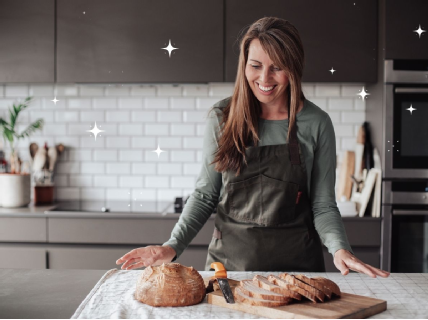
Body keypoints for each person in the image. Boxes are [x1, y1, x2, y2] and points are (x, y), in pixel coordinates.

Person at [116, 17, 390, 278]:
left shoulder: (316, 123)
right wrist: (172, 246)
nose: (265, 78)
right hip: (229, 269)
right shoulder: (222, 117)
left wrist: (340, 248)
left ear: (294, 66)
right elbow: (205, 195)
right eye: (255, 65)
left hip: (299, 270)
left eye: (277, 67)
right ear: (244, 65)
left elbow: (323, 205)